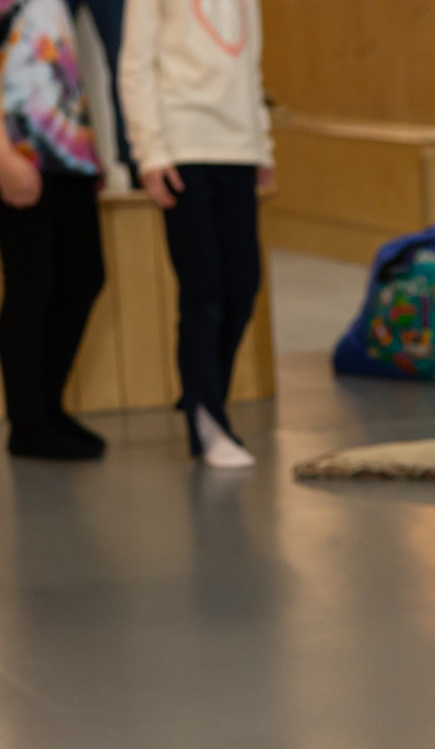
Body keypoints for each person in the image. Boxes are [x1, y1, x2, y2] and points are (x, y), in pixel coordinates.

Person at [0, 0, 109, 461]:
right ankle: (29, 421)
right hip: (11, 145)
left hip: (66, 146)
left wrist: (88, 146)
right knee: (31, 279)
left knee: (84, 274)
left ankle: (48, 405)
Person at [117, 0, 272, 470]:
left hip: (238, 149)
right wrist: (150, 152)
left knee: (243, 285)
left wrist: (262, 144)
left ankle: (204, 394)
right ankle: (208, 424)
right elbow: (135, 67)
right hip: (184, 146)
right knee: (203, 290)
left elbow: (252, 67)